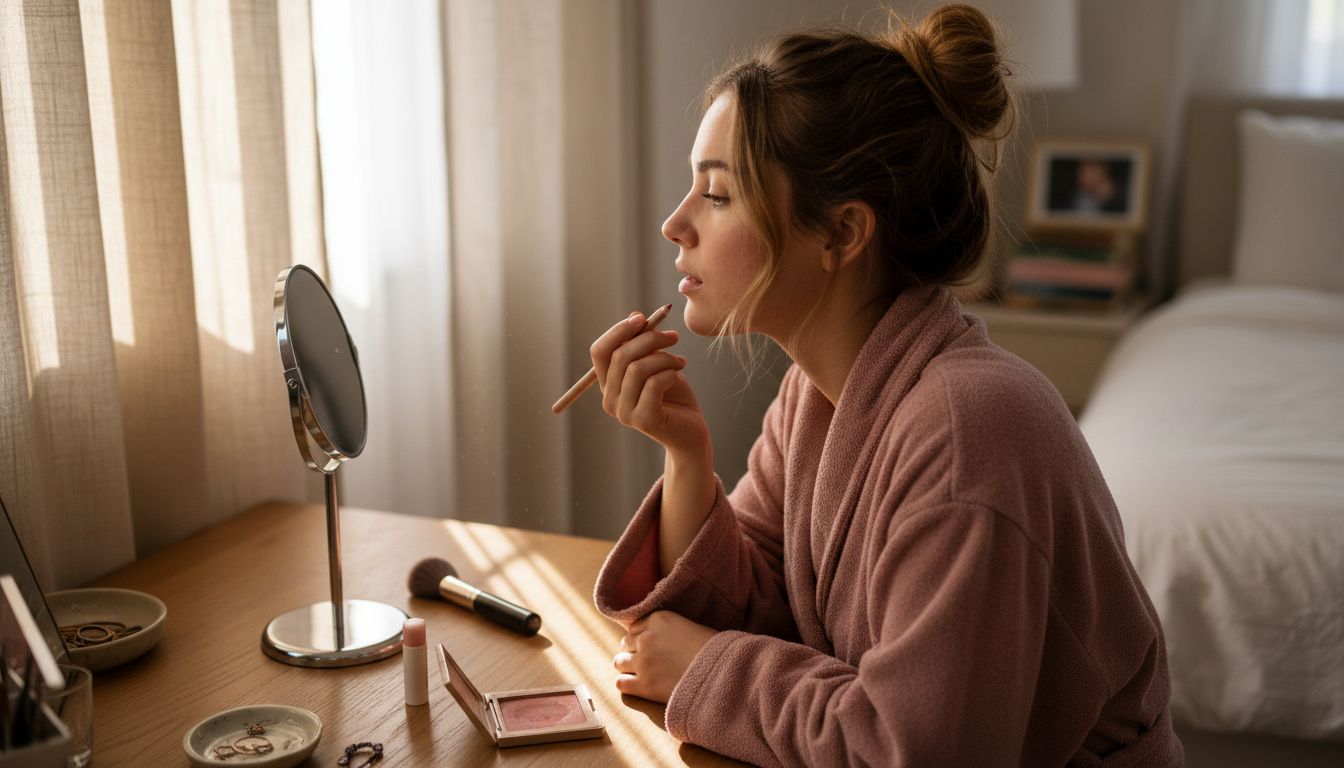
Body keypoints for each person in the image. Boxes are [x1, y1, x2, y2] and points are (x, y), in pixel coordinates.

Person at [586, 5, 1182, 766]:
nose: (676, 223)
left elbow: (917, 750)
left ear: (841, 233)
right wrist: (686, 456)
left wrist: (707, 669)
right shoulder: (815, 394)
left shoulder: (971, 432)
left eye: (719, 194)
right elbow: (763, 609)